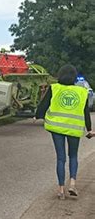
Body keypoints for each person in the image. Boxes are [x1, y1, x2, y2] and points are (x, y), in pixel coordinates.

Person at [35, 64, 94, 199]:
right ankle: (72, 183)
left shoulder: (54, 88)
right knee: (73, 156)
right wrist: (89, 130)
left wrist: (37, 115)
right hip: (74, 128)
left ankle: (61, 189)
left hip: (57, 128)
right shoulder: (82, 92)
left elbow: (44, 105)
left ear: (60, 75)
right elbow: (85, 113)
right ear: (74, 77)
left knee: (60, 158)